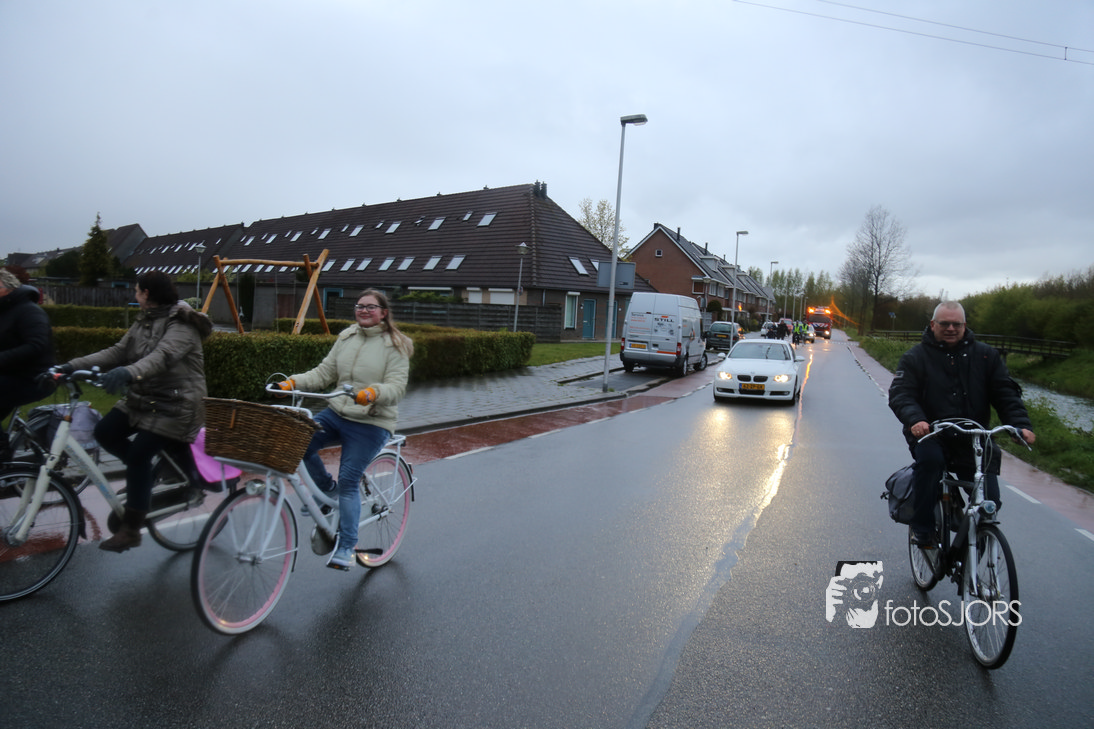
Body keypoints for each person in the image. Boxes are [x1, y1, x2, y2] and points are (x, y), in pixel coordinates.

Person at [61, 271, 213, 552]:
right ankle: (145, 478)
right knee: (105, 432)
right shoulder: (146, 319)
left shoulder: (183, 323)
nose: (134, 294)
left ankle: (131, 530)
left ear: (146, 294)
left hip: (177, 406)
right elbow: (117, 351)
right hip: (146, 399)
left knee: (139, 455)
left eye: (136, 290)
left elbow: (162, 356)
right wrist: (71, 366)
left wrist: (128, 373)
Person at [277, 289, 413, 570]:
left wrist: (373, 393)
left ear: (383, 313)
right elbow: (324, 373)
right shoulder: (347, 337)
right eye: (360, 306)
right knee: (298, 443)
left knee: (349, 480)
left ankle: (347, 546)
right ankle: (328, 491)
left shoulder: (397, 345)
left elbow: (397, 387)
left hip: (372, 421)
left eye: (371, 307)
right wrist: (293, 382)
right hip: (337, 413)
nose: (364, 311)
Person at [888, 301, 1035, 544]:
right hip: (931, 433)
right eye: (944, 324)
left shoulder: (986, 356)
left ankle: (971, 546)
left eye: (956, 324)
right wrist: (916, 420)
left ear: (964, 325)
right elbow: (901, 394)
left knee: (989, 501)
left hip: (973, 437)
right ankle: (922, 527)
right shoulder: (915, 357)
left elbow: (1005, 394)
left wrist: (1020, 425)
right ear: (933, 325)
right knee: (930, 464)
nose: (951, 329)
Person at [0, 268, 55, 460]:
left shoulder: (29, 311)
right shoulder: (4, 310)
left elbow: (36, 346)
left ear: (6, 288)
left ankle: (2, 453)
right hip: (10, 374)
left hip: (34, 378)